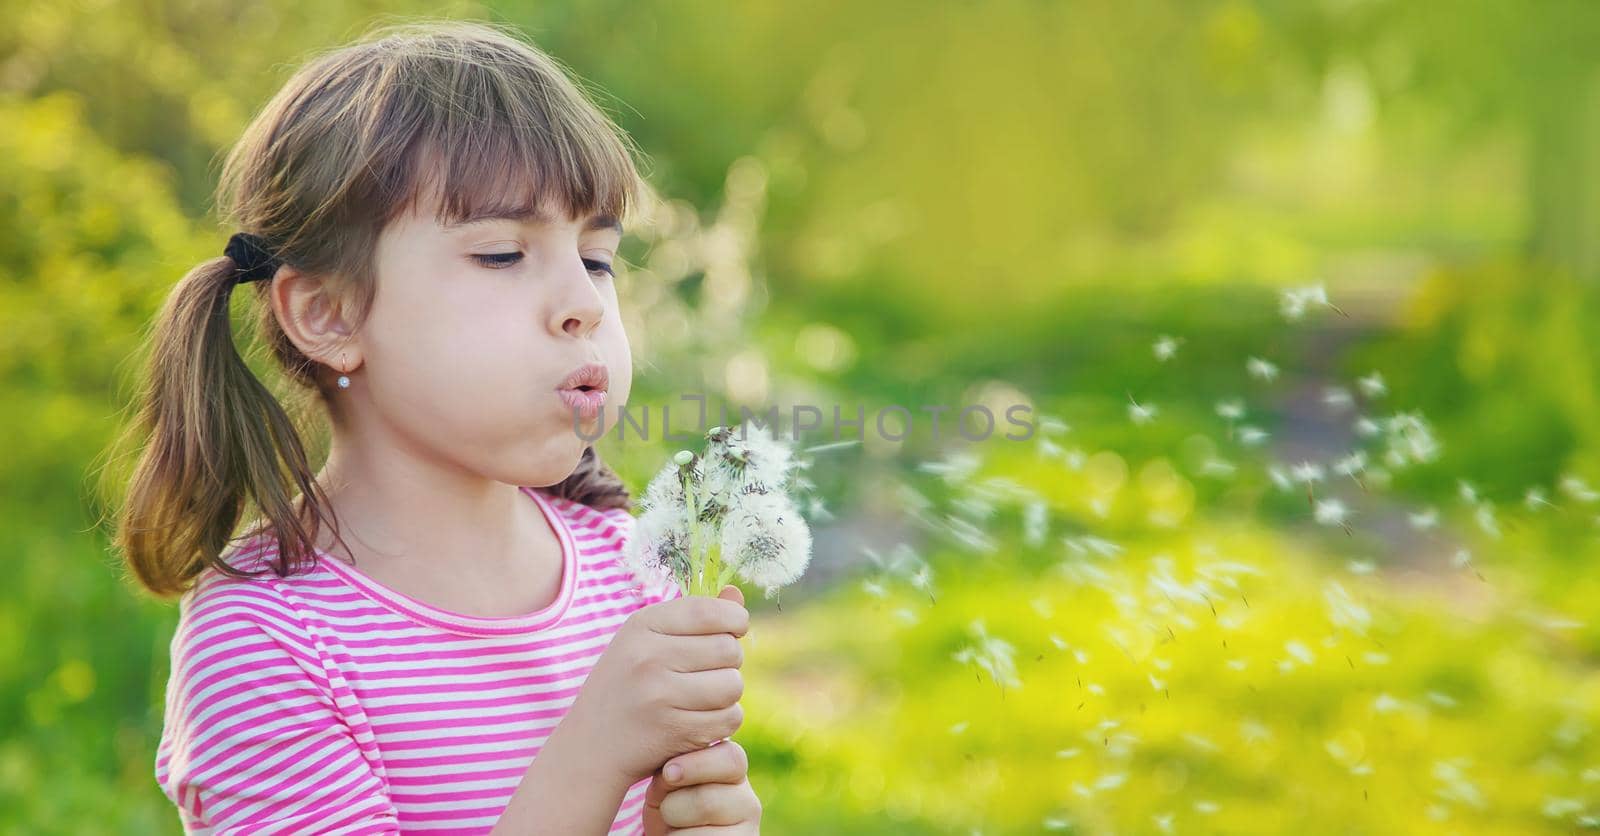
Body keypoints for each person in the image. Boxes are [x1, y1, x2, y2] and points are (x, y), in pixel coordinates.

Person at [110, 18, 761, 835]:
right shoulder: (265, 646)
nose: (586, 304)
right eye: (501, 255)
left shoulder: (628, 573)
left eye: (596, 258)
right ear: (329, 314)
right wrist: (593, 752)